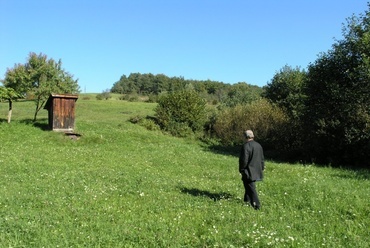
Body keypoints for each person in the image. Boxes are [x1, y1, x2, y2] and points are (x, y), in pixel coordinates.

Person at [239, 130, 265, 210]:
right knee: (248, 185)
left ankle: (256, 205)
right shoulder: (258, 145)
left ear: (245, 137)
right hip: (257, 169)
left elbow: (244, 160)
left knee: (250, 187)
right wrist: (262, 167)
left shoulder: (246, 146)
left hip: (248, 170)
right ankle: (247, 200)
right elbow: (262, 158)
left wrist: (242, 169)